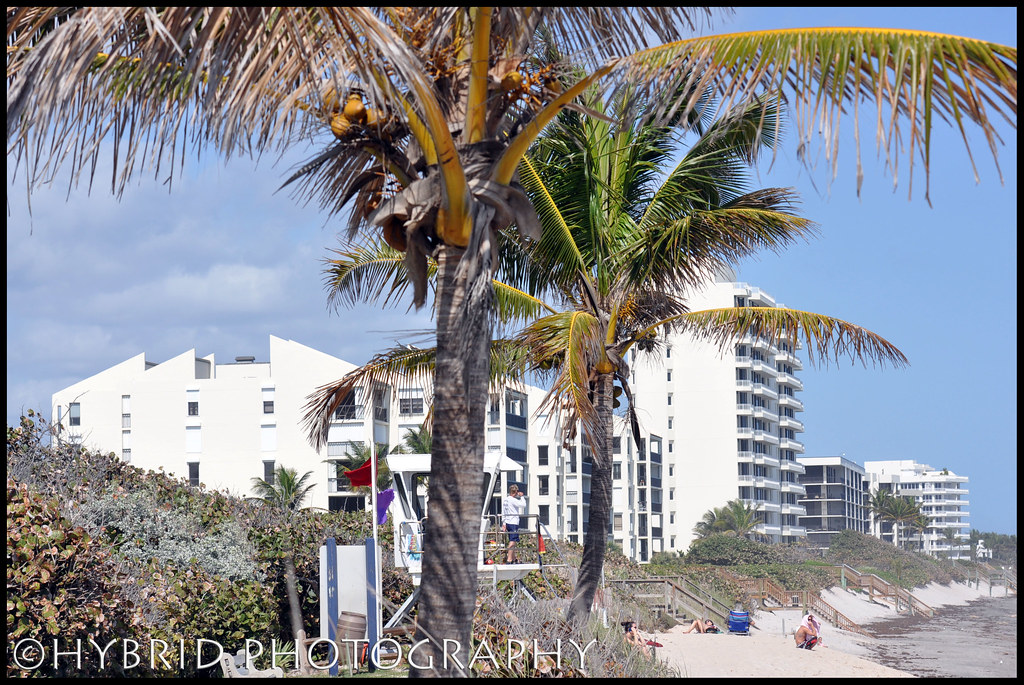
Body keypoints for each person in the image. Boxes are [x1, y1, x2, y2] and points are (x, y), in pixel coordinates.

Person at [501, 484, 526, 563]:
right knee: (513, 541)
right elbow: (523, 505)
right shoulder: (513, 500)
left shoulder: (505, 500)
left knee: (512, 540)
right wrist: (522, 496)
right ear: (515, 492)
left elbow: (503, 511)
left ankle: (514, 558)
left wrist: (504, 523)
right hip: (513, 522)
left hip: (508, 522)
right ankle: (509, 559)